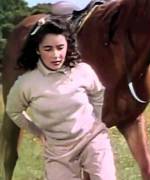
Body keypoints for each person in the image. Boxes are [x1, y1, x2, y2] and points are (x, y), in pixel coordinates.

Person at [6, 17, 116, 180]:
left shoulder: (83, 70)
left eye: (60, 47)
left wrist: (97, 120)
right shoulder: (26, 83)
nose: (56, 55)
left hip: (92, 139)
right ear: (38, 49)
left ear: (67, 46)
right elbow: (13, 111)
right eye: (48, 49)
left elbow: (98, 93)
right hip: (57, 149)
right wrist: (36, 131)